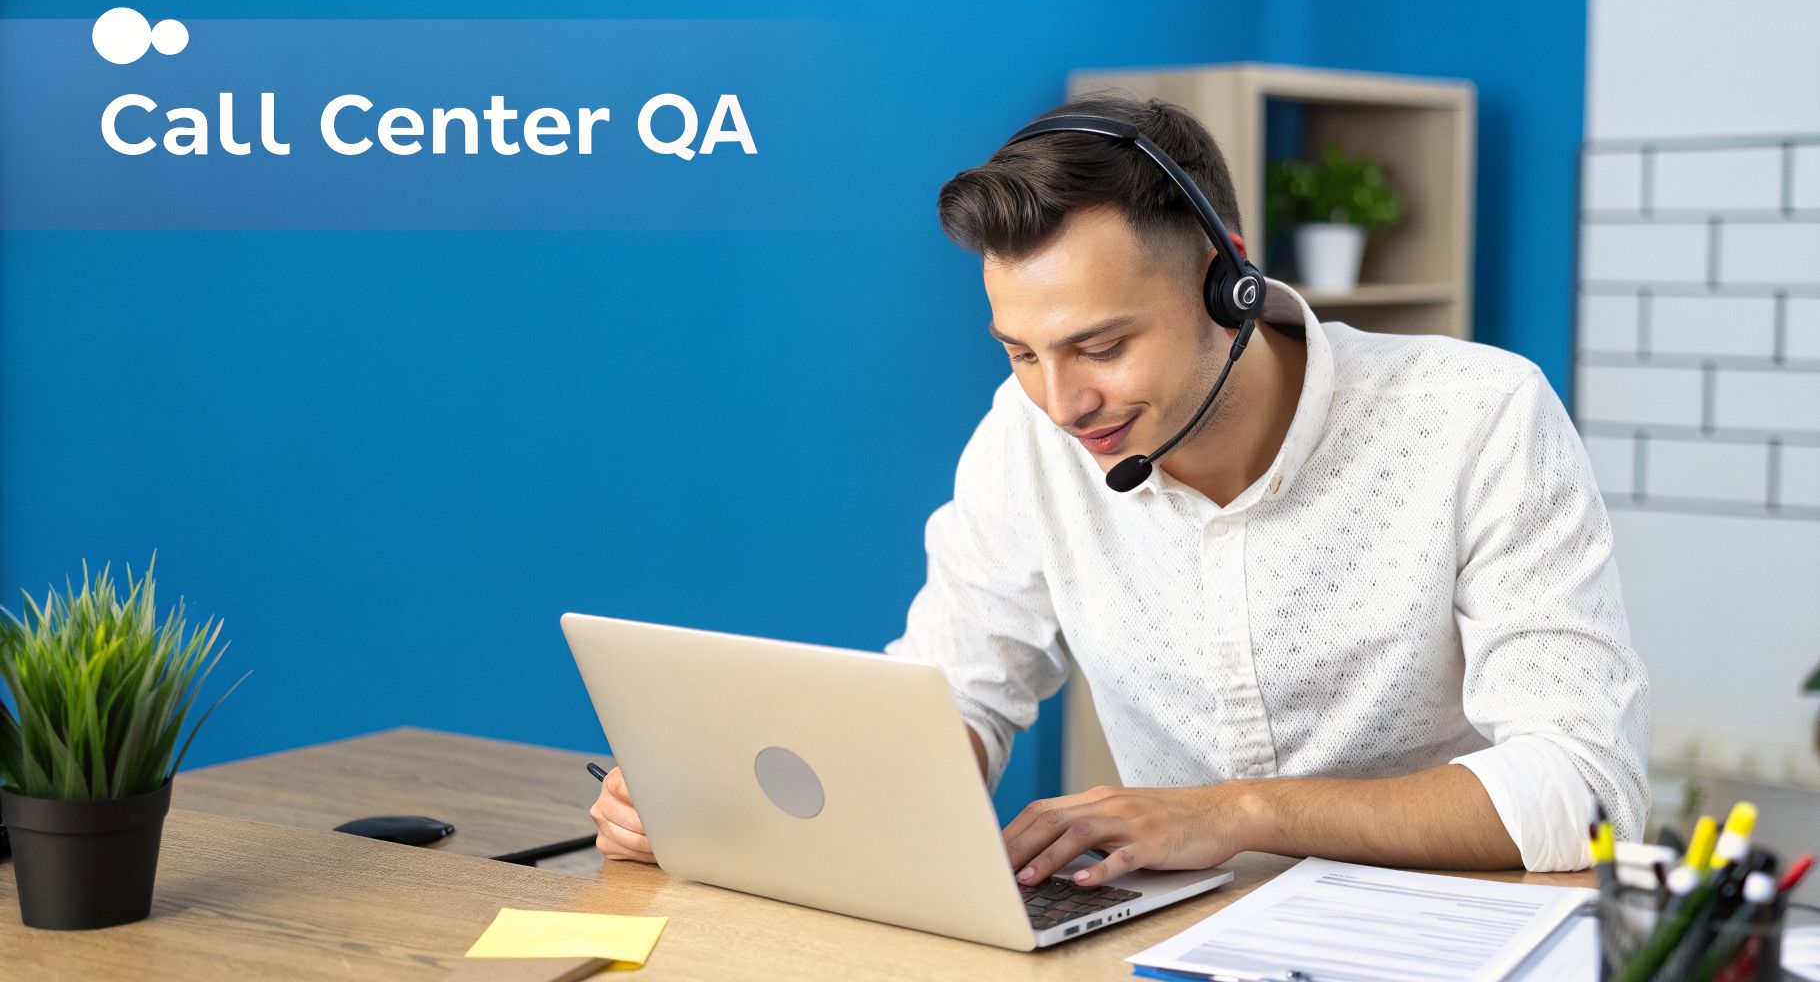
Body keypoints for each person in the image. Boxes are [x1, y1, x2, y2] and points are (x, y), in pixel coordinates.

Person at [590, 94, 1648, 885]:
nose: (1060, 401)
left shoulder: (1477, 416)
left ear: (1226, 281)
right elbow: (952, 693)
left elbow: (1585, 791)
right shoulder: (1029, 432)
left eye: (1099, 345)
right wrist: (730, 804)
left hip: (1447, 939)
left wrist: (1233, 813)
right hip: (1182, 939)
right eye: (1019, 352)